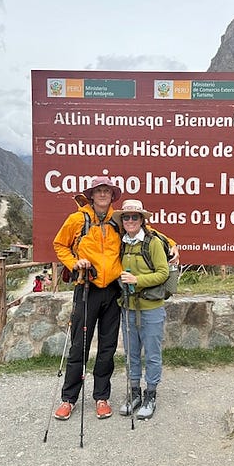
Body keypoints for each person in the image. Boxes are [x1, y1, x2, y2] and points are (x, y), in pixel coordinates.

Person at [52, 176, 178, 421]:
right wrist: (74, 262)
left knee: (107, 347)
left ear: (112, 196)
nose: (102, 194)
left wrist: (173, 245)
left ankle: (102, 397)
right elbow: (60, 245)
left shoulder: (119, 220)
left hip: (113, 290)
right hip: (86, 286)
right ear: (91, 194)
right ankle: (68, 399)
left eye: (106, 191)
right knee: (80, 344)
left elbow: (149, 232)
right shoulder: (77, 219)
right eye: (98, 190)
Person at [113, 199, 170, 420]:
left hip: (151, 308)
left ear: (142, 220)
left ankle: (151, 395)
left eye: (134, 217)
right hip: (127, 307)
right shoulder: (121, 243)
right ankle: (134, 393)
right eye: (126, 217)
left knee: (153, 355)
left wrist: (137, 280)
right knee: (131, 354)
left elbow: (163, 272)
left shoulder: (152, 242)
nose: (130, 221)